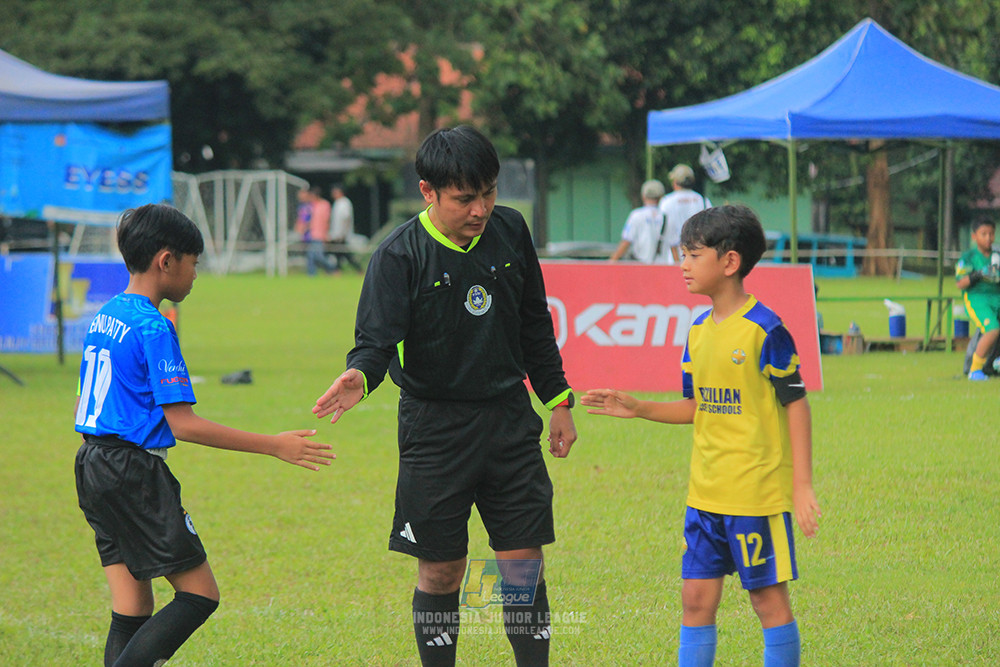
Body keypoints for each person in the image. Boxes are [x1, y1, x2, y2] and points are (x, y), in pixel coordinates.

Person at [312, 125, 577, 667]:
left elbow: (534, 325)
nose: (480, 208)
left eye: (489, 192)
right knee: (441, 570)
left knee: (521, 563)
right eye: (465, 198)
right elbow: (375, 344)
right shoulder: (397, 256)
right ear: (427, 190)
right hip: (434, 429)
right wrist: (360, 377)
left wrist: (558, 402)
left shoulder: (510, 230)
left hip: (508, 420)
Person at [74, 204, 334, 666]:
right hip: (131, 469)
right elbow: (185, 425)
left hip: (92, 463)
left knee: (132, 607)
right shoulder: (155, 326)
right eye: (194, 262)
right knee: (200, 595)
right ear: (166, 260)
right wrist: (275, 445)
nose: (195, 275)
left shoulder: (106, 313)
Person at [581, 205, 820, 667]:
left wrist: (802, 484)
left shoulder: (766, 329)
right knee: (695, 602)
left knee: (767, 605)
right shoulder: (696, 331)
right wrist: (639, 408)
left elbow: (797, 404)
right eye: (681, 254)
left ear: (729, 262)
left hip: (755, 495)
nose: (682, 265)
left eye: (692, 254)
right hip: (704, 495)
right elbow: (697, 406)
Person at [955, 217, 1000, 380]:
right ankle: (974, 369)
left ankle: (996, 361)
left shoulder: (997, 255)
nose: (988, 237)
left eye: (991, 234)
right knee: (992, 329)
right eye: (984, 234)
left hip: (997, 296)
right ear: (974, 236)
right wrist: (980, 273)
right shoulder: (969, 257)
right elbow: (961, 283)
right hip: (977, 298)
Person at [658, 164, 712, 264]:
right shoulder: (703, 201)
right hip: (698, 255)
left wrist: (676, 259)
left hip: (672, 256)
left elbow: (666, 231)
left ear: (674, 182)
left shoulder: (667, 201)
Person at [609, 179, 667, 263]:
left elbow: (626, 241)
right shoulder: (666, 217)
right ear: (661, 196)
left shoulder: (636, 215)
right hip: (662, 265)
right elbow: (673, 246)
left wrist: (612, 261)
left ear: (643, 196)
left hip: (640, 264)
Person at [329, 183, 364, 273]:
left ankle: (338, 270)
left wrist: (343, 233)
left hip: (342, 234)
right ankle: (338, 270)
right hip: (337, 234)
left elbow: (346, 218)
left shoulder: (344, 202)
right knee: (340, 253)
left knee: (343, 253)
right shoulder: (337, 203)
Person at [301, 186, 336, 276]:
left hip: (320, 235)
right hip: (311, 235)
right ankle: (312, 275)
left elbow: (326, 220)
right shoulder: (311, 206)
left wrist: (326, 233)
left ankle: (333, 269)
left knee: (318, 256)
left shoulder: (325, 205)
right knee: (311, 256)